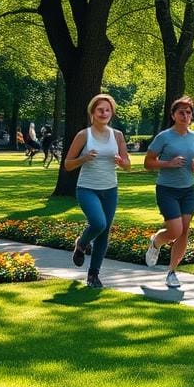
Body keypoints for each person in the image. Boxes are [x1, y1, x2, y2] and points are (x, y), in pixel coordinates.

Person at [63, 94, 131, 288]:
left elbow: (127, 165)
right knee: (98, 223)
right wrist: (83, 158)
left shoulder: (117, 135)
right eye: (100, 109)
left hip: (110, 189)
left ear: (112, 113)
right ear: (92, 112)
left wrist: (122, 161)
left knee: (104, 232)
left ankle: (93, 275)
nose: (104, 113)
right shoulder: (84, 135)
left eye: (107, 110)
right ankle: (81, 243)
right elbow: (67, 165)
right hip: (87, 188)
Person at [144, 96, 194, 288]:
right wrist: (168, 164)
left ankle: (172, 272)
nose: (185, 115)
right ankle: (156, 241)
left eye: (189, 113)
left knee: (184, 230)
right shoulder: (164, 137)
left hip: (188, 189)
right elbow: (148, 163)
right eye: (181, 112)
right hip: (167, 189)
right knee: (174, 230)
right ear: (173, 115)